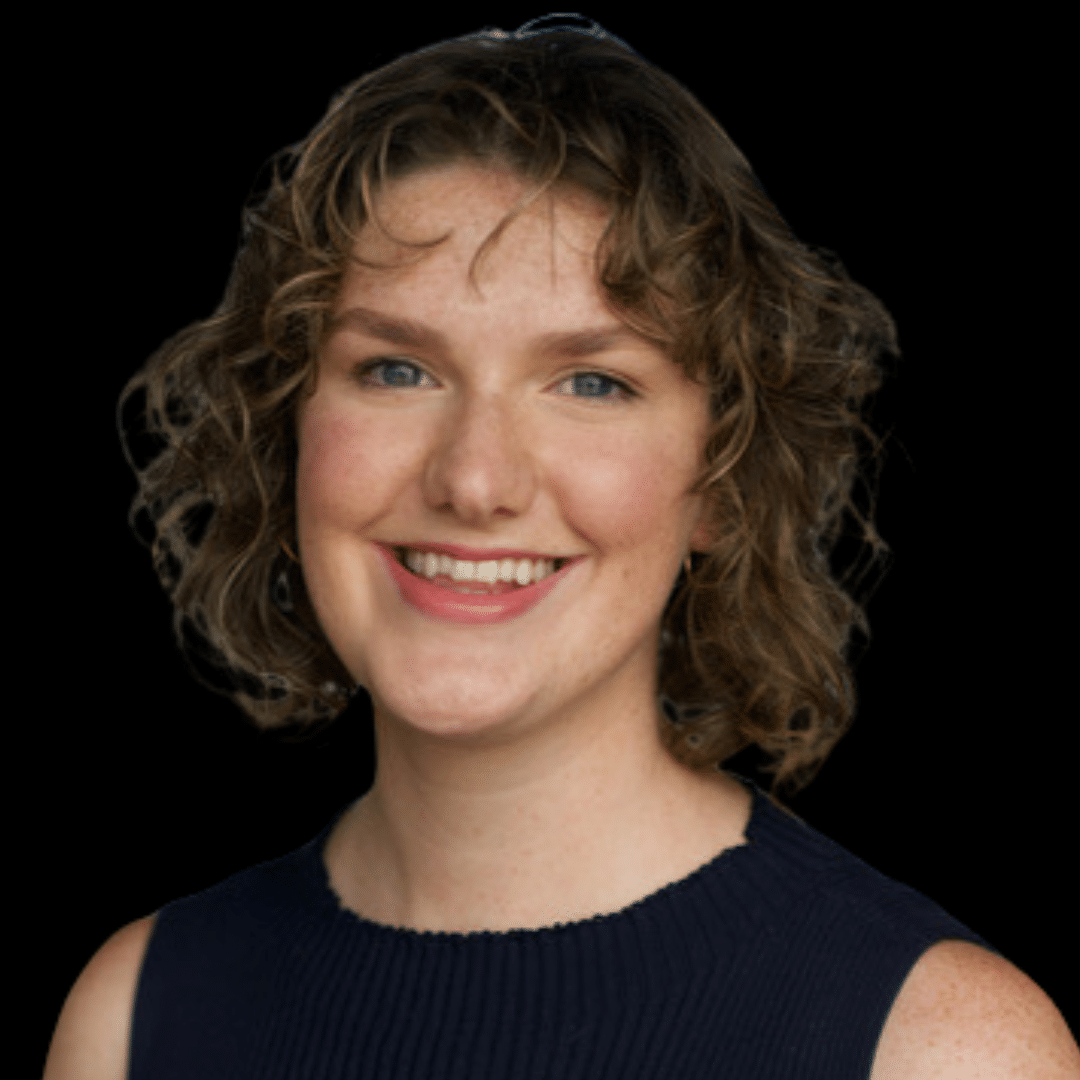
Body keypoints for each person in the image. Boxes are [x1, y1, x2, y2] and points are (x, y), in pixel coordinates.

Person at [45, 15, 1079, 1080]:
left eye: (593, 383)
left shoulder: (937, 1048)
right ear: (288, 431)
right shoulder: (137, 1017)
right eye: (398, 369)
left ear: (721, 481)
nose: (476, 480)